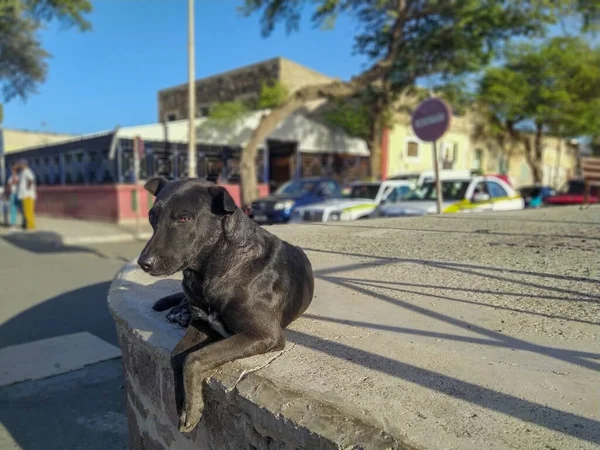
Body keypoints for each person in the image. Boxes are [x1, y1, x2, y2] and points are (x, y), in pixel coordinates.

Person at [15, 159, 36, 230]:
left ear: (25, 164)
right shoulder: (22, 172)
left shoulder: (27, 171)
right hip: (23, 195)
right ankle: (28, 225)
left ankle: (31, 226)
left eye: (21, 164)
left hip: (28, 195)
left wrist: (28, 188)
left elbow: (31, 179)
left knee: (28, 212)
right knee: (25, 212)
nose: (20, 165)